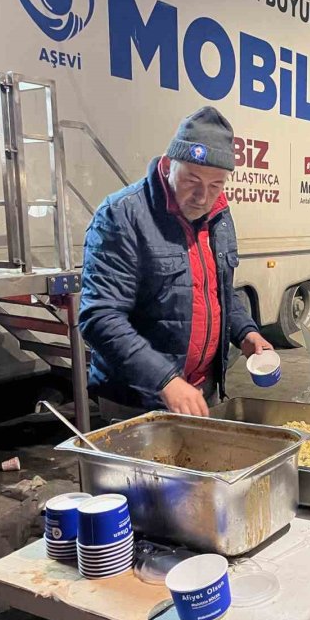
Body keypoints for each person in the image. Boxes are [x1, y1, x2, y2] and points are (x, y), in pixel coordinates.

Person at [80, 106, 272, 420]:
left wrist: (247, 333)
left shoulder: (219, 216)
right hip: (138, 400)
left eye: (216, 185)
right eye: (192, 180)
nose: (202, 197)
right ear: (169, 165)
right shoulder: (122, 216)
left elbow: (218, 292)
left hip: (200, 392)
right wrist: (165, 380)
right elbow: (100, 317)